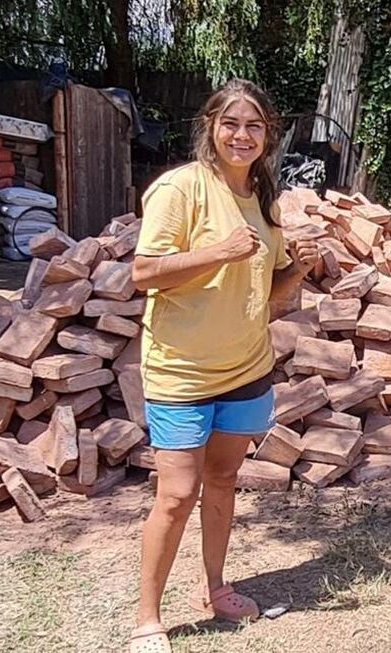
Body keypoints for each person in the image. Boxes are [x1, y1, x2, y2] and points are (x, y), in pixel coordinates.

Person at [127, 79, 319, 653]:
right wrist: (218, 251)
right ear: (210, 127)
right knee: (176, 493)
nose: (242, 135)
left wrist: (300, 269)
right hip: (181, 373)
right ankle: (147, 619)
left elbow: (271, 297)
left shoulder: (264, 199)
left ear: (268, 136)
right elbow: (143, 273)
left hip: (246, 369)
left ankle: (216, 587)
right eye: (231, 123)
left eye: (254, 126)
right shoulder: (181, 189)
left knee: (223, 480)